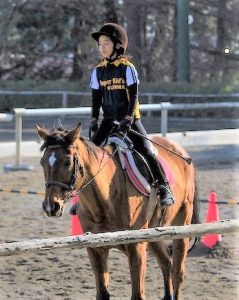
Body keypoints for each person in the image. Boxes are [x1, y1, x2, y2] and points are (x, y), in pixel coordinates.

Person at [89, 23, 175, 207]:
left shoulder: (127, 68)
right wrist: (94, 120)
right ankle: (83, 196)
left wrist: (128, 120)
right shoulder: (98, 70)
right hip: (108, 121)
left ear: (117, 46)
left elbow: (134, 96)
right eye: (100, 44)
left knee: (146, 148)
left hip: (129, 120)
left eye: (106, 43)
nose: (101, 47)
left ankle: (163, 186)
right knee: (90, 153)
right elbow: (96, 99)